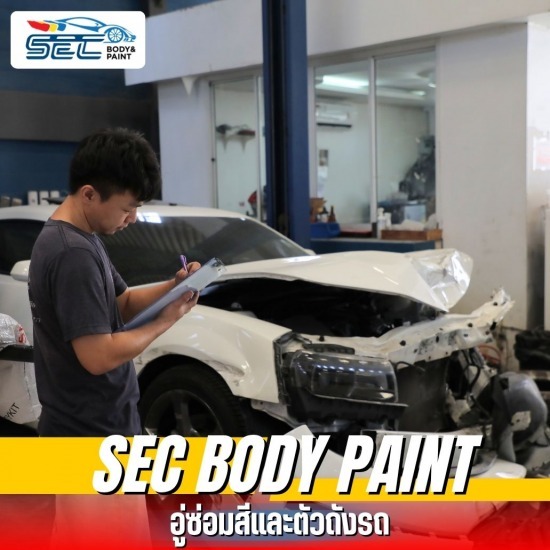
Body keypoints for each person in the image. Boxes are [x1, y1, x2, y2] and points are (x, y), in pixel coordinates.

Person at [28, 127, 200, 548]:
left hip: (100, 430)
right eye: (128, 208)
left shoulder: (82, 239)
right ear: (89, 194)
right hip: (88, 440)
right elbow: (98, 356)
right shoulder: (73, 254)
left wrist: (173, 287)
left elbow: (121, 303)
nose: (132, 218)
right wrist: (168, 320)